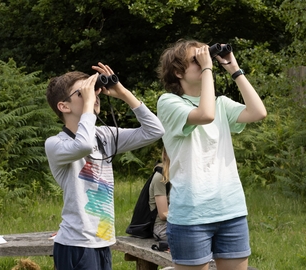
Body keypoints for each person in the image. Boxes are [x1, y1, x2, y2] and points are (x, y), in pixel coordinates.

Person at [156, 39, 267, 270]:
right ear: (177, 72)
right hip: (191, 215)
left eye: (204, 57)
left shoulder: (221, 104)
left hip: (230, 210)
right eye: (196, 59)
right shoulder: (168, 102)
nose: (204, 62)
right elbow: (204, 115)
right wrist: (208, 68)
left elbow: (258, 112)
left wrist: (234, 70)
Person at [45, 62, 165, 270]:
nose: (94, 95)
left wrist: (123, 93)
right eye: (83, 93)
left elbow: (154, 131)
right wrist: (89, 106)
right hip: (75, 243)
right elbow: (82, 145)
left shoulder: (104, 135)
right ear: (64, 106)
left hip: (102, 241)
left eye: (94, 90)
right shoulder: (56, 144)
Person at [148, 147, 171, 241]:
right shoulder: (160, 178)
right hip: (162, 227)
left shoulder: (181, 174)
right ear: (165, 154)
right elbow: (163, 214)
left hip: (179, 222)